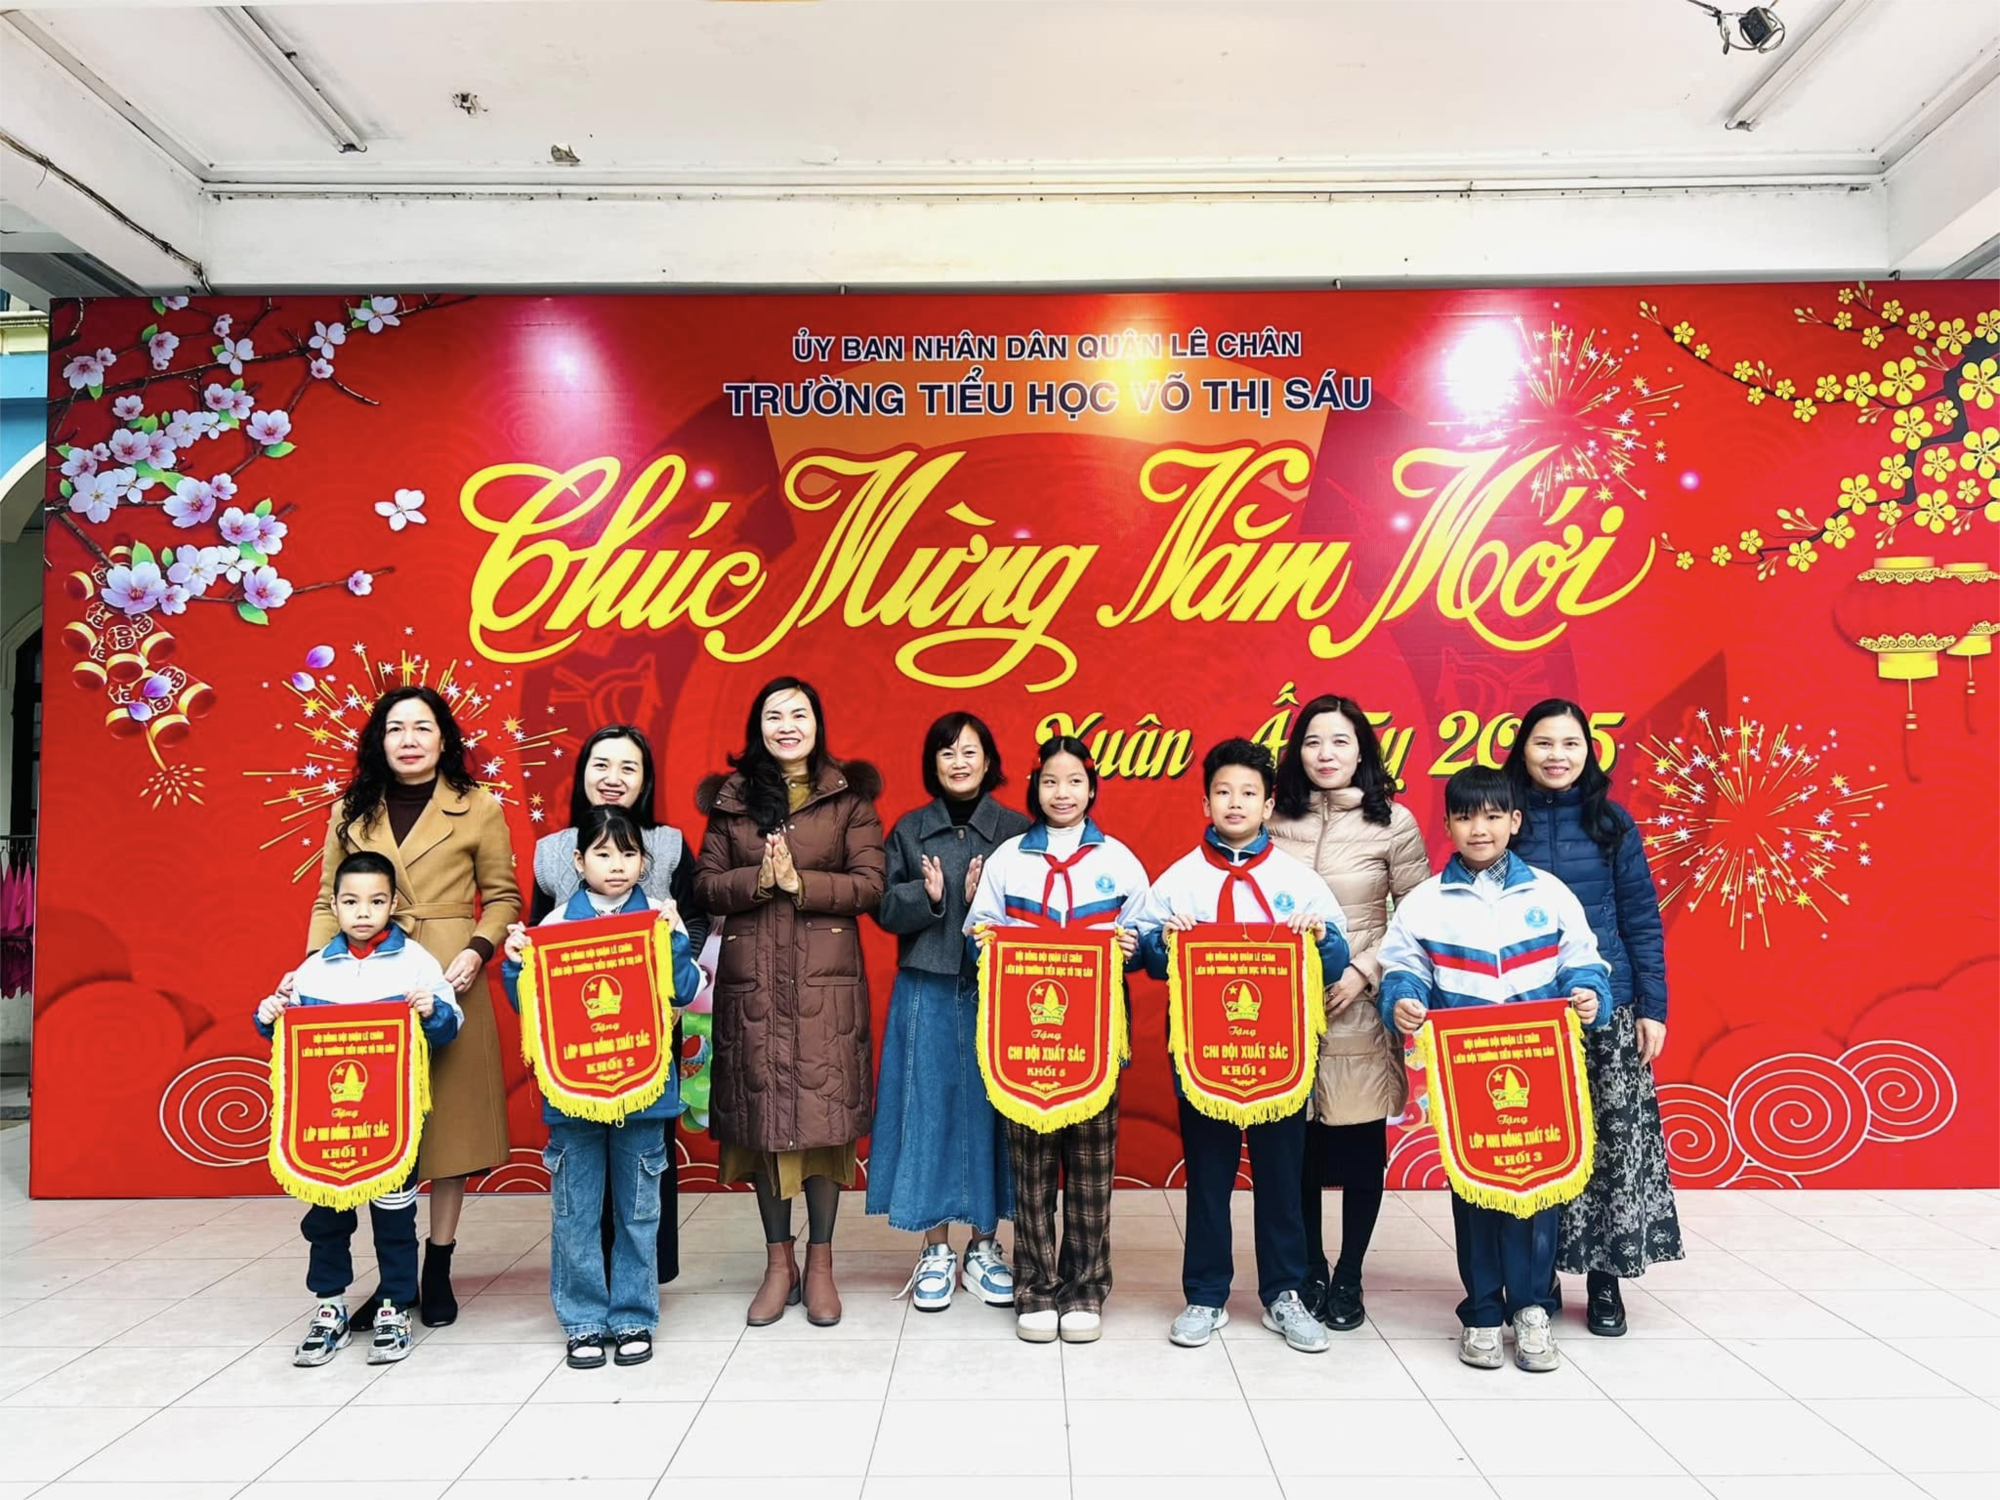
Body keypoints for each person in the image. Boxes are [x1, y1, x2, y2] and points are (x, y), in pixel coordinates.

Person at [1378, 766, 1610, 1374]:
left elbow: (1584, 961)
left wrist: (1589, 994)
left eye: (1491, 816)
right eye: (1464, 817)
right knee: (1476, 1192)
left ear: (1514, 820)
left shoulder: (1550, 894)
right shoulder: (1426, 902)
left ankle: (1532, 1309)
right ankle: (1482, 1311)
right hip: (1466, 1077)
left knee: (1537, 1189)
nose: (1478, 828)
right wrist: (1402, 1000)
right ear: (1448, 825)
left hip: (1542, 1070)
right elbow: (1402, 968)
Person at [304, 685, 521, 1329]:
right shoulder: (350, 809)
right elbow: (327, 901)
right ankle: (393, 1279)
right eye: (395, 727)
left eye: (422, 727)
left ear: (444, 738)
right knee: (375, 1123)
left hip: (449, 977)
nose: (409, 739)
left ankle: (438, 1266)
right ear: (380, 739)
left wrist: (477, 951)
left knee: (450, 1132)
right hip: (366, 985)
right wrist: (316, 977)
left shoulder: (478, 805)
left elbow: (504, 897)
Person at [1132, 738, 1352, 1355]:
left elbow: (1335, 959)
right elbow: (1145, 956)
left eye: (1248, 793)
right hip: (1203, 1058)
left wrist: (1320, 940)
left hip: (1280, 1058)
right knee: (1209, 1178)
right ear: (1205, 802)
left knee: (1281, 1179)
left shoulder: (1296, 880)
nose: (1235, 803)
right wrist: (1163, 942)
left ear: (1268, 804)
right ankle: (1205, 1294)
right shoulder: (1181, 878)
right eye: (1223, 792)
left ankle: (1285, 1293)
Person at [694, 677, 885, 1329]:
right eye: (774, 715)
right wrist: (759, 880)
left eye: (798, 713)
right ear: (759, 727)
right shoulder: (734, 800)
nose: (787, 725)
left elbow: (870, 885)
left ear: (816, 723)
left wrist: (800, 883)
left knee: (824, 1123)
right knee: (764, 1124)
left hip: (824, 987)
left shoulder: (848, 798)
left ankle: (821, 1263)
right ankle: (779, 1264)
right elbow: (705, 885)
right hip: (753, 985)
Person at [1503, 697, 1683, 1336]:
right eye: (1544, 743)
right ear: (1522, 749)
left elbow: (1641, 919)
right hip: (1524, 1011)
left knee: (1609, 1147)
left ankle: (1605, 1282)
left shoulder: (1612, 823)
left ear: (1589, 751)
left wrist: (1652, 1007)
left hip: (1606, 1007)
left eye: (1570, 744)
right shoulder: (1503, 821)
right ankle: (1538, 1278)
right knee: (1534, 1145)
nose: (1557, 756)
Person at [502, 805, 703, 1370]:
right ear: (578, 860)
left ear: (644, 862)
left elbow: (685, 991)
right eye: (603, 853)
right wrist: (516, 965)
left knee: (639, 1214)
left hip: (643, 1095)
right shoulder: (554, 927)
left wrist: (676, 941)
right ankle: (583, 1320)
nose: (616, 865)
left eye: (628, 854)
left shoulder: (657, 919)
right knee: (576, 1215)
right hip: (573, 1099)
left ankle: (634, 1314)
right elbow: (527, 1006)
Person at [963, 735, 1149, 1344]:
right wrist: (991, 944)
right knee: (1033, 1167)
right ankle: (1036, 1287)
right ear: (1034, 788)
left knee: (1092, 1168)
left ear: (1091, 789)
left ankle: (1086, 1288)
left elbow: (1146, 939)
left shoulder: (1119, 860)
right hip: (1025, 1040)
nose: (1061, 793)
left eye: (1074, 782)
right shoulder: (1009, 859)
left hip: (1096, 1039)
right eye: (1050, 781)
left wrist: (1132, 947)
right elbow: (979, 933)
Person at [258, 850, 463, 1367]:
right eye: (351, 901)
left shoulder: (416, 962)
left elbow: (448, 1026)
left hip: (392, 1123)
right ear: (334, 905)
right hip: (325, 1126)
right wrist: (269, 1015)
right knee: (326, 1219)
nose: (363, 911)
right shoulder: (313, 970)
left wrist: (433, 1011)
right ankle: (330, 1306)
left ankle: (395, 1305)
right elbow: (289, 1040)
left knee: (395, 1218)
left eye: (376, 901)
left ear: (393, 904)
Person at [1267, 694, 1432, 1331]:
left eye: (1339, 741)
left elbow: (1417, 915)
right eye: (1313, 741)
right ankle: (1309, 1267)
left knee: (1360, 1151)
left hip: (1357, 1009)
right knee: (1297, 1151)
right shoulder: (1274, 817)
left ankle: (1350, 1275)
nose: (1325, 754)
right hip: (1280, 1010)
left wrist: (1364, 970)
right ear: (1298, 751)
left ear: (1361, 749)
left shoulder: (1393, 822)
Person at [531, 724, 709, 1288]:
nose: (613, 777)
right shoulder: (550, 851)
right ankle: (590, 1286)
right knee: (582, 1160)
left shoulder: (670, 844)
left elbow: (696, 917)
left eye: (628, 767)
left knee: (644, 1157)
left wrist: (674, 980)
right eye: (601, 765)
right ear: (583, 774)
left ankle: (643, 1282)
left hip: (649, 1025)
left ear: (645, 779)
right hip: (578, 1033)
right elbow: (537, 938)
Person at [870, 712, 1033, 1312]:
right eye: (947, 752)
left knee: (994, 1113)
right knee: (928, 1111)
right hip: (927, 988)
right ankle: (935, 1248)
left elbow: (1038, 912)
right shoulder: (910, 830)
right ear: (932, 764)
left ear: (989, 761)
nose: (959, 762)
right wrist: (929, 897)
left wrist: (986, 901)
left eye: (969, 751)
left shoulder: (1016, 831)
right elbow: (884, 908)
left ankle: (984, 1245)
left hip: (999, 992)